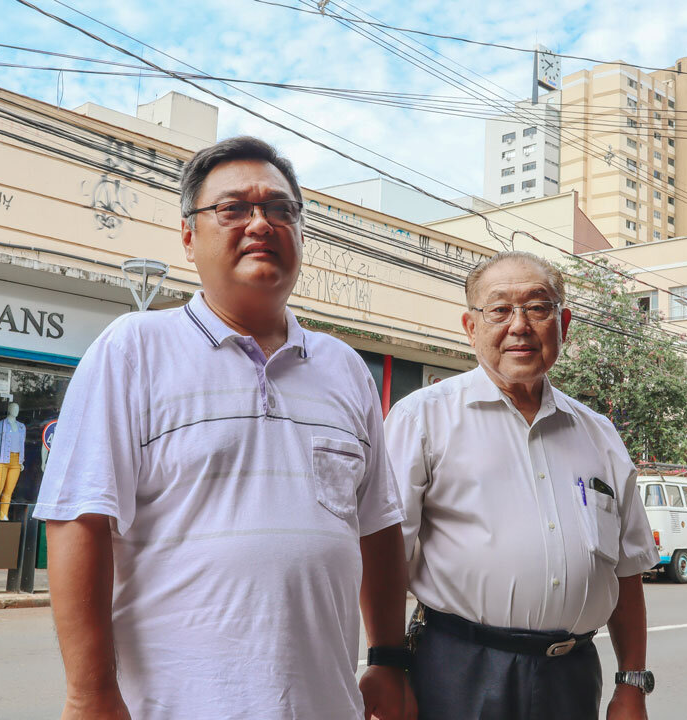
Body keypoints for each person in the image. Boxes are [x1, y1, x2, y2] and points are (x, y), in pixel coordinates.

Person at [35, 137, 411, 720]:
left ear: (300, 234)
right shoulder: (134, 349)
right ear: (189, 237)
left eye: (280, 209)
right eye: (233, 208)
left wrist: (388, 658)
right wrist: (90, 694)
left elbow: (378, 527)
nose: (260, 223)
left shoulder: (346, 369)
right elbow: (78, 520)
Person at [385, 251, 659, 720]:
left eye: (538, 307)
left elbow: (627, 570)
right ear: (471, 327)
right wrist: (386, 665)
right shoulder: (422, 418)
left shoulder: (599, 434)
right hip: (456, 670)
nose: (520, 325)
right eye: (499, 309)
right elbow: (385, 557)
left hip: (572, 677)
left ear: (563, 323)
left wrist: (631, 682)